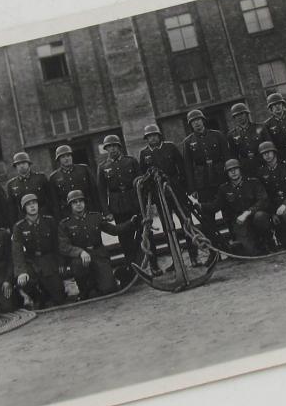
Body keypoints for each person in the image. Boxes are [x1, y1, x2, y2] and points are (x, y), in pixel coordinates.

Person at [58, 190, 137, 300]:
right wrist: (80, 252)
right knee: (78, 267)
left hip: (98, 254)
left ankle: (99, 282)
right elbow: (64, 246)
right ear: (70, 205)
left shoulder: (95, 217)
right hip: (81, 259)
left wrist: (131, 222)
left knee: (109, 289)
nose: (78, 204)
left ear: (85, 203)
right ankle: (85, 289)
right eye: (74, 202)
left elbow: (114, 230)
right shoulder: (65, 224)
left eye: (81, 201)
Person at [139, 123, 198, 265]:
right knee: (168, 228)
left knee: (186, 222)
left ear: (159, 136)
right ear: (146, 139)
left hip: (176, 191)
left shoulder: (170, 147)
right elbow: (143, 177)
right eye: (149, 137)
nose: (152, 138)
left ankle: (193, 256)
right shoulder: (144, 153)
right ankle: (177, 261)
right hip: (159, 196)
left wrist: (185, 188)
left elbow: (182, 168)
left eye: (154, 135)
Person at [96, 135, 150, 275]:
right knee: (125, 239)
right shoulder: (103, 167)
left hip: (134, 202)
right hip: (118, 206)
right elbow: (101, 191)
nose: (112, 149)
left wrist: (144, 204)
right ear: (106, 149)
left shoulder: (130, 161)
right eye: (109, 147)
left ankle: (151, 265)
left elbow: (141, 183)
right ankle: (133, 269)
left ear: (119, 147)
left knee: (143, 234)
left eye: (114, 146)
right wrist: (106, 211)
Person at [203, 159, 272, 255]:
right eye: (230, 170)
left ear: (240, 169)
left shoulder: (253, 182)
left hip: (254, 217)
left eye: (235, 169)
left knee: (260, 217)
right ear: (227, 173)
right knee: (250, 252)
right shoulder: (224, 188)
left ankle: (268, 242)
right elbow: (215, 206)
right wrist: (199, 205)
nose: (233, 172)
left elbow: (263, 200)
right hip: (240, 222)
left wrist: (248, 212)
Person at [11, 194, 66, 310]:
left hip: (49, 260)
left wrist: (60, 262)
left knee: (59, 298)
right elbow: (17, 251)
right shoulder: (19, 227)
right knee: (24, 281)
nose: (32, 207)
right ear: (24, 208)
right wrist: (21, 271)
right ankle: (37, 296)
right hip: (32, 261)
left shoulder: (49, 221)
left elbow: (57, 244)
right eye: (28, 205)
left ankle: (47, 293)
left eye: (34, 203)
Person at [182, 109, 229, 242]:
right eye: (193, 122)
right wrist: (193, 189)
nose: (196, 123)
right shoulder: (188, 142)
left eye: (198, 120)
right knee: (208, 218)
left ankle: (236, 246)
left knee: (228, 211)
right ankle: (215, 249)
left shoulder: (218, 135)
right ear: (190, 125)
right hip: (203, 182)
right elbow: (188, 167)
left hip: (221, 178)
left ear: (203, 120)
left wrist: (229, 178)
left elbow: (227, 157)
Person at [49, 145, 100, 218]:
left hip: (88, 210)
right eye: (63, 157)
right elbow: (55, 201)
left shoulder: (84, 169)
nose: (66, 158)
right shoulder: (54, 177)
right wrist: (59, 218)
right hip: (68, 214)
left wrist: (99, 210)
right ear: (59, 160)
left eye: (68, 155)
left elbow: (94, 191)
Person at [5, 151, 55, 225]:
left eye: (24, 163)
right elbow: (12, 209)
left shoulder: (41, 178)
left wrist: (54, 217)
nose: (21, 166)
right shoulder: (11, 184)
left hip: (43, 217)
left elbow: (52, 199)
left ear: (29, 164)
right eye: (18, 164)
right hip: (24, 221)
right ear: (15, 167)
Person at [227, 102, 271, 178]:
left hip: (263, 163)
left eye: (241, 114)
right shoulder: (232, 135)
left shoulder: (260, 127)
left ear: (247, 114)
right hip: (246, 168)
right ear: (234, 118)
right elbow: (233, 155)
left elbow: (269, 146)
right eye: (236, 116)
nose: (239, 117)